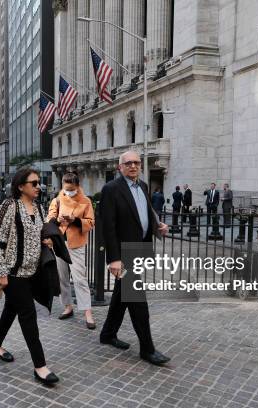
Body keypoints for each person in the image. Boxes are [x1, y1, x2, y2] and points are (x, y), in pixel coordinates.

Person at [98, 150, 171, 366]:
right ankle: (147, 349)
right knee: (137, 299)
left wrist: (159, 226)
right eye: (128, 163)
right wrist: (114, 259)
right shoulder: (111, 189)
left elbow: (145, 213)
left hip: (139, 249)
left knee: (123, 295)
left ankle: (108, 334)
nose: (133, 166)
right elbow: (107, 226)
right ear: (120, 167)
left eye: (136, 163)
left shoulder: (143, 186)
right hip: (123, 253)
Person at [0, 168, 59, 385]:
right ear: (21, 186)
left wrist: (46, 241)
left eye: (39, 183)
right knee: (28, 315)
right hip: (12, 272)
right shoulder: (9, 207)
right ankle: (40, 366)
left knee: (11, 309)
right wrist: (0, 272)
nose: (39, 186)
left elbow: (36, 234)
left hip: (33, 271)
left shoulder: (38, 208)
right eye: (34, 183)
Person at [47, 172, 96, 330]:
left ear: (77, 186)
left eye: (72, 189)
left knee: (80, 279)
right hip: (60, 243)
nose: (69, 192)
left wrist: (74, 220)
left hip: (77, 244)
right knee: (62, 278)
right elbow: (49, 219)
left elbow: (91, 223)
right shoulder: (57, 199)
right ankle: (67, 306)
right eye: (66, 189)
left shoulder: (85, 201)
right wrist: (57, 220)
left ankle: (88, 312)